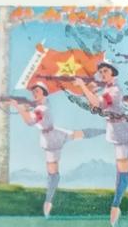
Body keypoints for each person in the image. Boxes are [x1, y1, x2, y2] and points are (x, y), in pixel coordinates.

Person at [75, 61, 128, 227]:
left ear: (113, 73)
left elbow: (99, 104)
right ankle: (116, 206)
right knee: (123, 169)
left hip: (123, 129)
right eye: (100, 72)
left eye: (105, 71)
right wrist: (89, 90)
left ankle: (115, 206)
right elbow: (97, 106)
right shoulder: (107, 89)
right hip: (118, 129)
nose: (102, 74)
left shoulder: (114, 90)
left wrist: (83, 87)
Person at [10, 81, 104, 218]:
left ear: (43, 93)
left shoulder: (41, 109)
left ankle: (48, 202)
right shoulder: (42, 105)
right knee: (79, 134)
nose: (34, 93)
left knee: (53, 173)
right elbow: (36, 109)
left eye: (37, 91)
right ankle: (105, 131)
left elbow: (30, 121)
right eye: (33, 91)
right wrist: (25, 106)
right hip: (55, 134)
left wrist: (19, 108)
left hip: (51, 140)